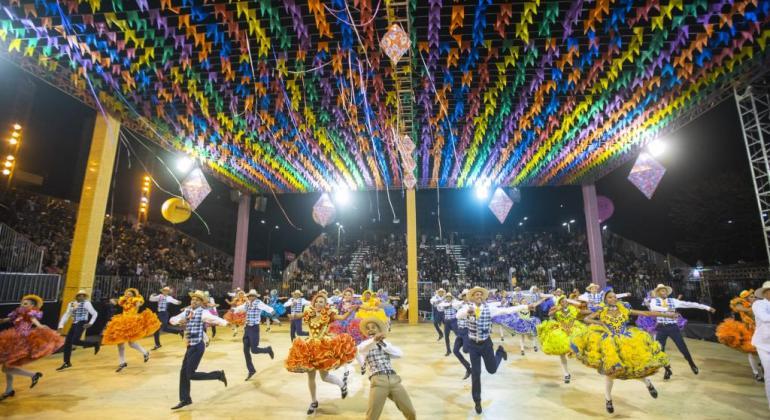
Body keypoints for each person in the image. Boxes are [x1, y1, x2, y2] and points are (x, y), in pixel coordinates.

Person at [571, 291, 676, 414]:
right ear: (605, 299)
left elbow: (646, 313)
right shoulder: (601, 310)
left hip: (627, 340)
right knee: (610, 373)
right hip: (610, 343)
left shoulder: (624, 308)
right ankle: (608, 399)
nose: (613, 298)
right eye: (610, 297)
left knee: (635, 367)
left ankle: (648, 384)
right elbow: (587, 318)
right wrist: (600, 323)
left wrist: (668, 315)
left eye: (615, 297)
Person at [456, 286, 537, 414]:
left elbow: (506, 310)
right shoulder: (467, 307)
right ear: (472, 297)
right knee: (476, 374)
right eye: (476, 294)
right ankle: (477, 401)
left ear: (482, 296)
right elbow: (458, 315)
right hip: (473, 345)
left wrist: (525, 307)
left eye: (480, 294)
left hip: (486, 344)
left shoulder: (490, 308)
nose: (478, 296)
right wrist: (467, 312)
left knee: (492, 370)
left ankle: (500, 352)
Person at [285, 293, 357, 415]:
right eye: (317, 301)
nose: (318, 304)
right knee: (311, 376)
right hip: (309, 347)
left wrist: (350, 311)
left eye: (321, 302)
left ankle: (342, 385)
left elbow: (342, 318)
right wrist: (291, 314)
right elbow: (297, 315)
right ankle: (313, 401)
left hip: (323, 346)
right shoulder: (309, 312)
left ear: (325, 304)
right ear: (314, 303)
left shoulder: (329, 314)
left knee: (324, 377)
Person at [169, 290, 229, 410]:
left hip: (198, 346)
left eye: (197, 300)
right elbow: (173, 319)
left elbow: (214, 319)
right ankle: (185, 399)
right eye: (193, 299)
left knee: (190, 374)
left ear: (201, 303)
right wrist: (177, 321)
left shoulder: (203, 312)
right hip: (190, 345)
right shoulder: (187, 311)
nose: (194, 301)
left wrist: (225, 322)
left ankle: (218, 375)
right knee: (183, 373)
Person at [0, 294, 63, 401]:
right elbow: (8, 319)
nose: (22, 305)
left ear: (32, 305)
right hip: (12, 340)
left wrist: (40, 326)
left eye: (25, 303)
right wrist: (2, 320)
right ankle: (9, 390)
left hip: (21, 340)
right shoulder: (18, 312)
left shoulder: (30, 313)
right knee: (7, 366)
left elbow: (34, 320)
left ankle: (33, 375)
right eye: (22, 303)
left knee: (7, 367)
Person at [648, 283, 715, 379]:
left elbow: (690, 304)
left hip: (672, 327)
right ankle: (667, 370)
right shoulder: (654, 301)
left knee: (682, 347)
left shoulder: (673, 301)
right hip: (661, 328)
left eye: (665, 291)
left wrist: (707, 307)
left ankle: (692, 364)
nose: (665, 292)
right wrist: (668, 309)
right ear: (658, 292)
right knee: (659, 351)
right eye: (662, 290)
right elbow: (654, 308)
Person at [357, 317, 416, 420]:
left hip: (394, 380)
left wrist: (383, 344)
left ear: (379, 330)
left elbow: (399, 354)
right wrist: (374, 341)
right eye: (368, 328)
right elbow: (362, 350)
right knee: (372, 416)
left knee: (410, 411)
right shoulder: (363, 345)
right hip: (378, 381)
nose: (370, 330)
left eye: (373, 327)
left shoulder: (387, 344)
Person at [102, 288, 161, 372]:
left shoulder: (136, 300)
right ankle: (122, 362)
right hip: (122, 322)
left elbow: (139, 303)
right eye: (127, 294)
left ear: (133, 295)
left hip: (131, 322)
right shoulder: (123, 300)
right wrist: (113, 300)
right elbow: (115, 301)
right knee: (120, 344)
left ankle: (145, 352)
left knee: (131, 343)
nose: (127, 295)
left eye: (129, 294)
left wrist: (138, 304)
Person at [537, 296, 590, 384]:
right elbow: (549, 314)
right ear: (560, 303)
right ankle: (566, 374)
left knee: (578, 349)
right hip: (561, 333)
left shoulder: (573, 308)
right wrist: (556, 309)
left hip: (573, 331)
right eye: (562, 301)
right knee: (562, 354)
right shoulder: (556, 309)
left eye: (565, 301)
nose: (564, 302)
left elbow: (582, 311)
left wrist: (595, 310)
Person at [716, 290, 763, 381]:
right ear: (746, 299)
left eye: (754, 296)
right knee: (751, 352)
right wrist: (751, 309)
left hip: (761, 331)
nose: (754, 298)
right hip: (750, 333)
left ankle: (762, 367)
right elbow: (737, 306)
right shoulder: (742, 305)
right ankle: (756, 373)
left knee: (763, 351)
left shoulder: (759, 305)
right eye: (751, 296)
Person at [233, 289, 275, 381]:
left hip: (254, 328)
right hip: (247, 328)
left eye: (252, 296)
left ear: (256, 296)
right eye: (249, 296)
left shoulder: (258, 303)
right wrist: (235, 310)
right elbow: (241, 308)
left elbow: (266, 307)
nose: (250, 297)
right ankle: (251, 370)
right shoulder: (247, 303)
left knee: (254, 350)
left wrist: (271, 311)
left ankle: (268, 349)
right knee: (245, 350)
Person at [56, 289, 100, 370]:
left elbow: (94, 313)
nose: (81, 297)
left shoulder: (86, 303)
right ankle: (67, 362)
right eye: (80, 295)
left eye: (83, 295)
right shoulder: (72, 304)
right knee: (68, 343)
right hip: (74, 323)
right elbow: (67, 314)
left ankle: (94, 344)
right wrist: (61, 325)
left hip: (82, 322)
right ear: (76, 296)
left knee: (75, 341)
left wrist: (91, 323)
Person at [752, 281, 770, 410]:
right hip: (764, 345)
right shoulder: (758, 304)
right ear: (764, 293)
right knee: (769, 374)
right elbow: (764, 317)